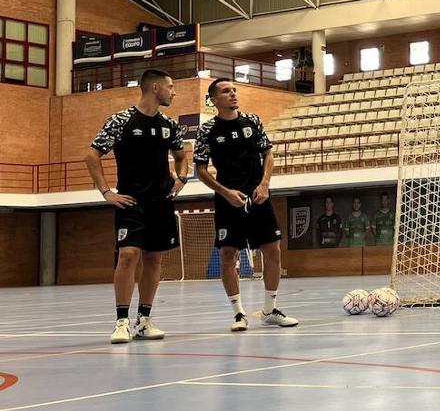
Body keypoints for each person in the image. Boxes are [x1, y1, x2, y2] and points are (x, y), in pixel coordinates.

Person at [84, 69, 190, 345]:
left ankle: (144, 320)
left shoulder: (169, 124)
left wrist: (182, 177)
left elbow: (181, 156)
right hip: (131, 201)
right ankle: (122, 321)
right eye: (170, 86)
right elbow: (92, 155)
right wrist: (107, 192)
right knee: (128, 254)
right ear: (155, 88)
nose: (173, 91)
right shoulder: (121, 121)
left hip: (161, 202)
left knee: (154, 258)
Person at [194, 78, 297, 331]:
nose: (232, 94)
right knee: (228, 255)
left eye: (234, 90)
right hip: (228, 199)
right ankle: (239, 314)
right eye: (225, 91)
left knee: (273, 250)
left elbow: (268, 154)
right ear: (214, 100)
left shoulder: (253, 120)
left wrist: (264, 185)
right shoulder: (207, 130)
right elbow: (200, 169)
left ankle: (270, 309)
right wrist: (224, 192)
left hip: (258, 196)